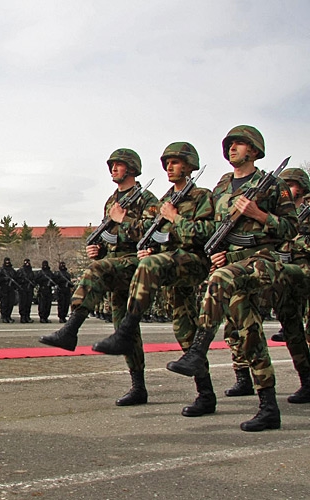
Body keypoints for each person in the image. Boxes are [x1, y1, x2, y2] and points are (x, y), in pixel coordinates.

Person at [165, 125, 296, 432]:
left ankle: (198, 350)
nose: (232, 148)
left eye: (240, 144)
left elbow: (291, 228)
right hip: (233, 265)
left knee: (220, 280)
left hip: (263, 259)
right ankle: (269, 407)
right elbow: (216, 229)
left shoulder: (272, 185)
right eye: (230, 144)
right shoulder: (222, 186)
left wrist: (259, 214)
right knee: (249, 333)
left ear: (254, 150)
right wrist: (218, 252)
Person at [92, 142, 217, 417]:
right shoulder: (163, 201)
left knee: (187, 329)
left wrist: (175, 218)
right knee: (183, 328)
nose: (169, 167)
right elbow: (157, 236)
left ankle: (205, 393)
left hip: (189, 265)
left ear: (189, 166)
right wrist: (149, 249)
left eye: (175, 162)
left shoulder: (202, 196)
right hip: (167, 266)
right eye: (167, 163)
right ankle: (147, 387)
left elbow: (206, 234)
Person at [38, 148, 158, 406]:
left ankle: (71, 329)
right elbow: (109, 236)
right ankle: (138, 387)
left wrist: (123, 219)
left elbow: (153, 233)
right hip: (114, 263)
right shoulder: (111, 200)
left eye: (119, 164)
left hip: (137, 262)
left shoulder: (146, 198)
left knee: (95, 271)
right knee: (123, 327)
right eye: (112, 165)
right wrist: (98, 249)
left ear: (131, 168)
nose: (113, 168)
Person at [261, 167, 310, 404]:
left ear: (301, 188)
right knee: (292, 331)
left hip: (305, 274)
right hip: (287, 280)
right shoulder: (278, 215)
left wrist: (297, 243)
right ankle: (307, 381)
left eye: (290, 185)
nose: (286, 190)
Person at [0, 257, 18, 323]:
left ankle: (8, 316)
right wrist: (4, 279)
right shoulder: (1, 270)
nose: (7, 262)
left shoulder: (12, 270)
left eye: (8, 261)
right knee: (4, 303)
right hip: (4, 288)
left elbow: (16, 278)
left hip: (11, 289)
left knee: (10, 303)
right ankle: (4, 316)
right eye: (6, 261)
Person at [16, 258, 35, 323]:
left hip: (29, 290)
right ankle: (23, 317)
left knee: (28, 304)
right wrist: (22, 281)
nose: (27, 264)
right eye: (26, 262)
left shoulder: (31, 271)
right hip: (23, 289)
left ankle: (27, 316)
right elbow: (17, 280)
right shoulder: (20, 271)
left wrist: (33, 283)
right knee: (22, 303)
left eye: (28, 262)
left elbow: (34, 279)